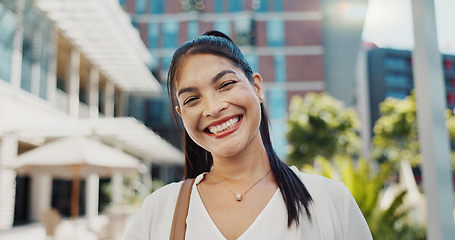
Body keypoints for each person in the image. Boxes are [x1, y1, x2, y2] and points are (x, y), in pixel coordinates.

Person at [124, 31, 372, 240]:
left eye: (225, 84)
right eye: (192, 99)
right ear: (180, 114)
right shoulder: (158, 211)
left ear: (257, 87)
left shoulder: (331, 202)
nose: (213, 108)